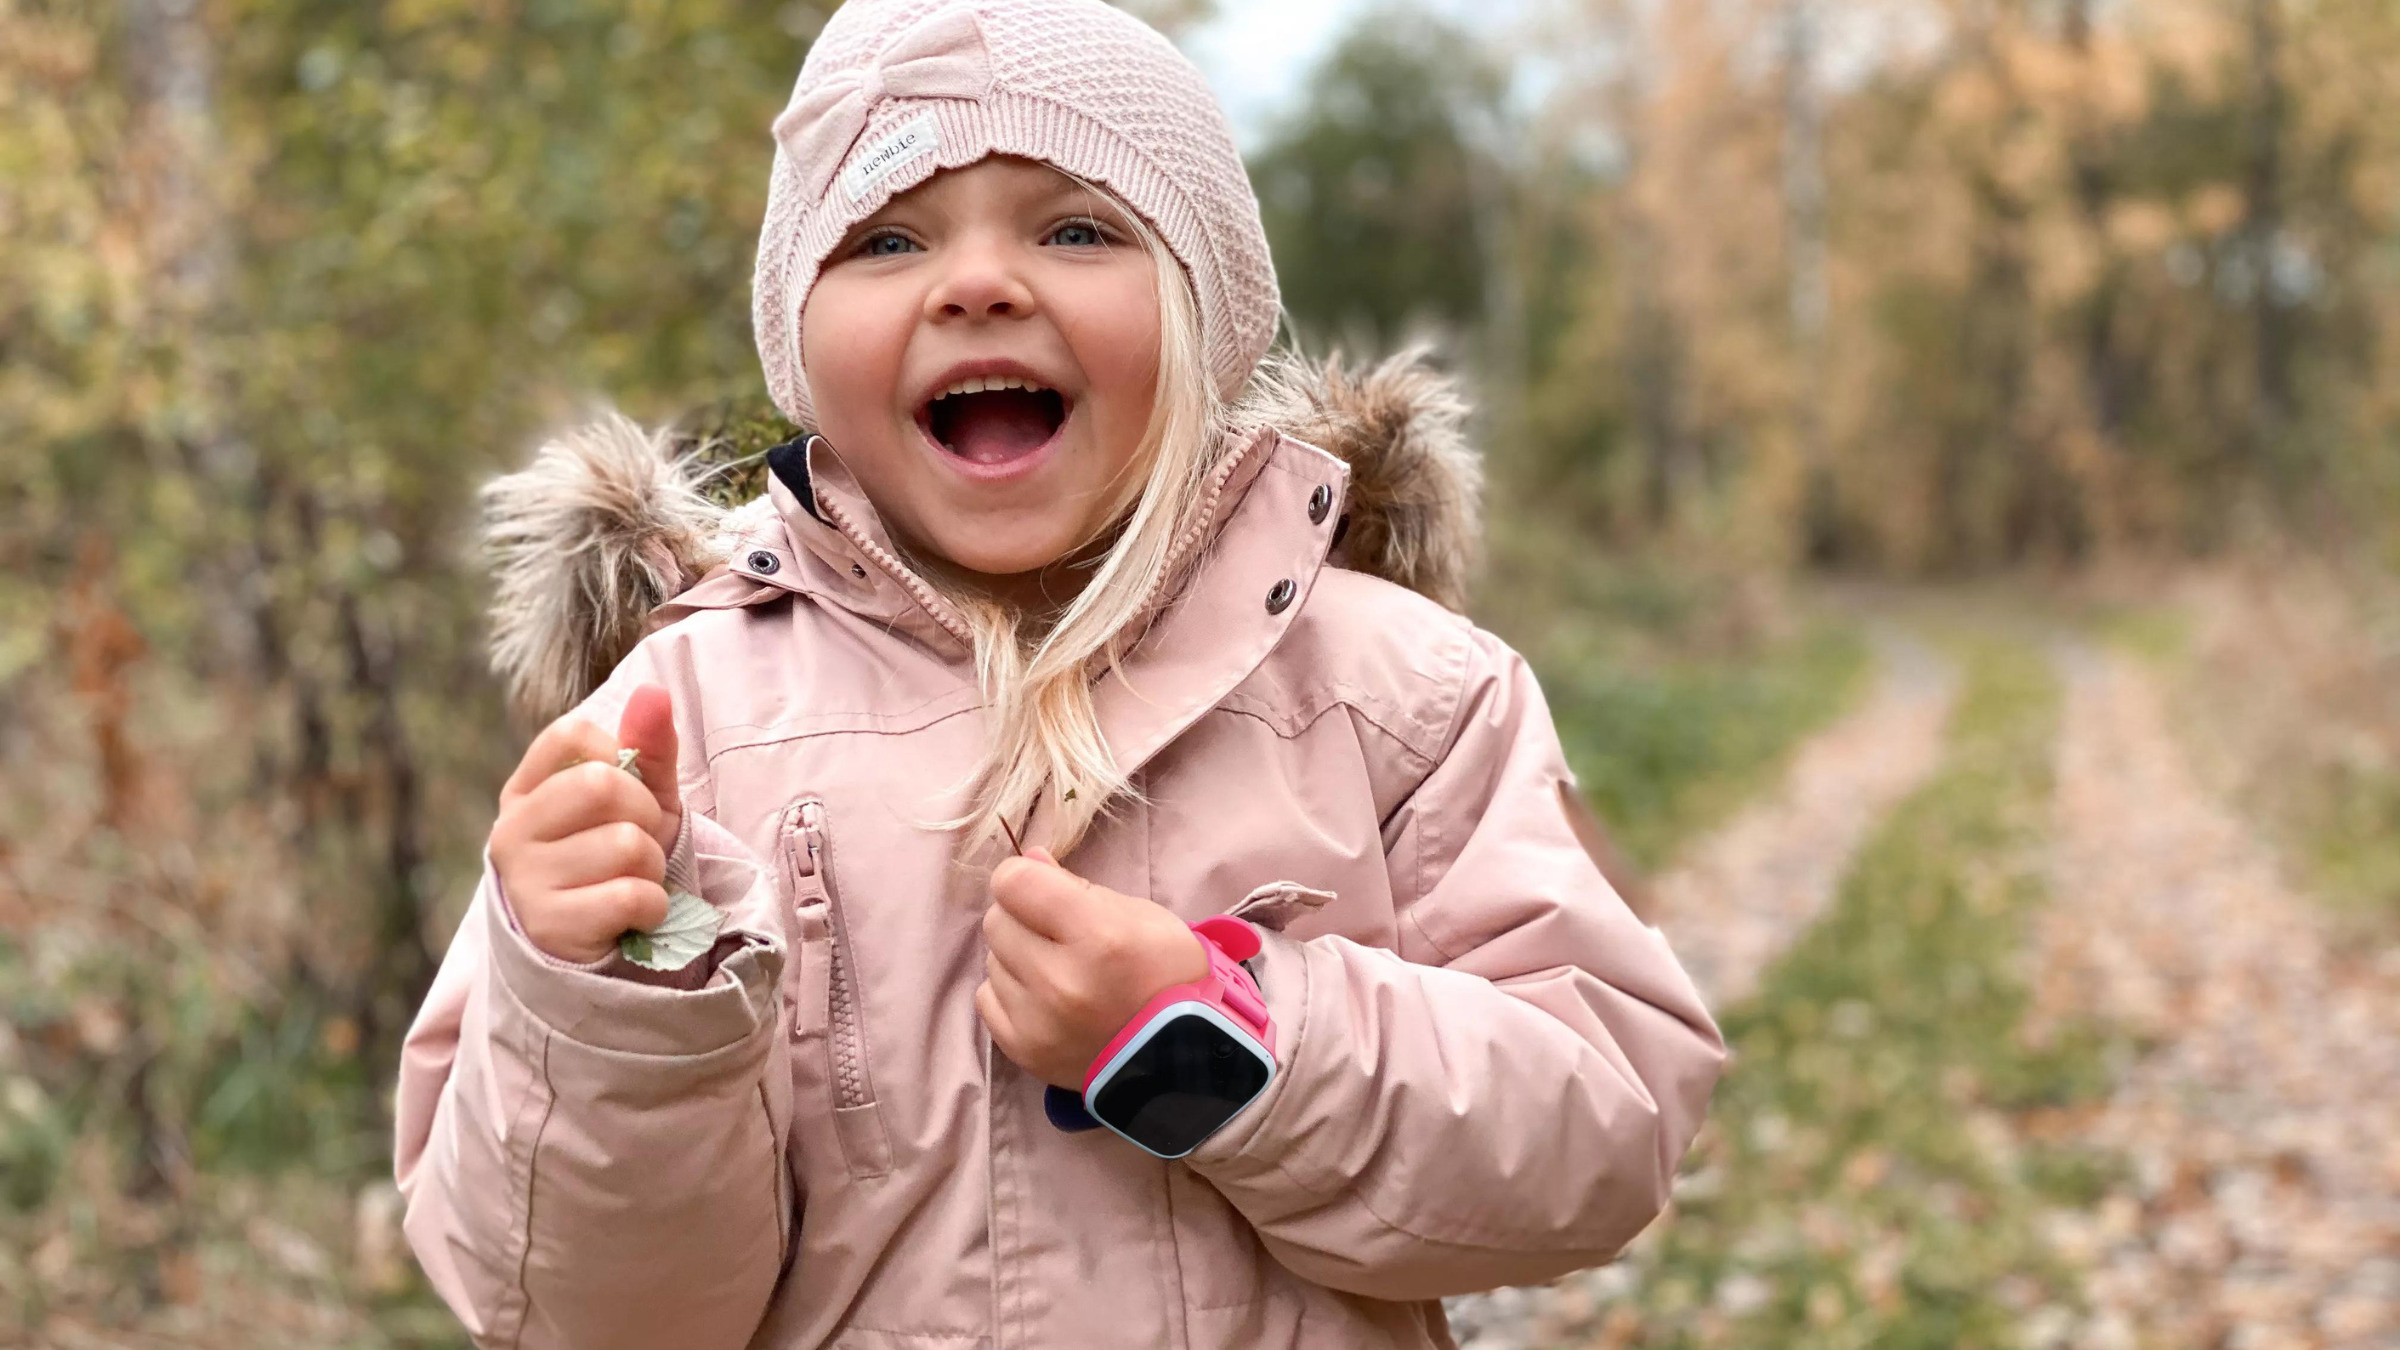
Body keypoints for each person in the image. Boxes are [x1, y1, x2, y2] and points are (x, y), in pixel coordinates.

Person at [392, 0, 1724, 1344]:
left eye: (1077, 229)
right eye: (888, 239)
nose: (978, 284)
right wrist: (603, 1007)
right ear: (799, 345)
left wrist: (1213, 1041)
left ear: (1205, 316)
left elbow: (1605, 1130)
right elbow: (576, 1312)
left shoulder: (1397, 691)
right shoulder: (687, 728)